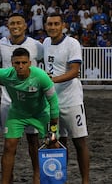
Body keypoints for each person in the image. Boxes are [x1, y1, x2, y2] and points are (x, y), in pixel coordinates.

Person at [0, 47, 60, 184]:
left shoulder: (41, 76)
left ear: (30, 63)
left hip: (41, 114)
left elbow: (53, 102)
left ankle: (51, 180)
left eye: (24, 63)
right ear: (12, 63)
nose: (20, 66)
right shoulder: (7, 74)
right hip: (17, 114)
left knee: (53, 145)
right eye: (17, 63)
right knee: (9, 146)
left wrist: (53, 129)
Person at [44, 13, 90, 184]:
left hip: (71, 100)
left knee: (79, 141)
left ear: (63, 25)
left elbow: (74, 71)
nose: (53, 27)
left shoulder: (72, 43)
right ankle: (60, 179)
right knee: (57, 142)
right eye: (50, 24)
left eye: (56, 24)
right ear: (46, 26)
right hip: (52, 101)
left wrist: (52, 80)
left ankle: (85, 180)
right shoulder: (46, 42)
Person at [0, 13, 44, 183]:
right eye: (12, 23)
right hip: (8, 102)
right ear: (7, 26)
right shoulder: (0, 44)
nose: (15, 26)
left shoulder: (36, 46)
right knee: (10, 144)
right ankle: (8, 178)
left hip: (31, 103)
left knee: (33, 141)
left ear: (25, 26)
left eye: (19, 23)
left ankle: (37, 176)